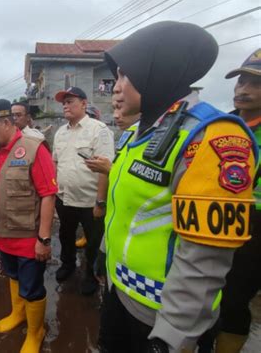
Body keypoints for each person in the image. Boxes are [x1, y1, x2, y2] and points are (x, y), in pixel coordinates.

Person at [97, 21, 258, 353]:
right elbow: (123, 206)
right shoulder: (137, 133)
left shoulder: (210, 138)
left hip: (161, 316)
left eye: (125, 76)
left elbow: (204, 258)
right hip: (119, 293)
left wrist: (174, 335)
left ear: (157, 73)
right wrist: (103, 253)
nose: (115, 87)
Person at [0, 99, 57, 353]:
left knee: (32, 288)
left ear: (7, 122)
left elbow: (49, 194)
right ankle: (18, 314)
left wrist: (43, 240)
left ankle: (35, 332)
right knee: (13, 277)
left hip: (29, 239)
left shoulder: (33, 149)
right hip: (3, 235)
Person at [215, 49, 261, 353]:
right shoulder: (221, 126)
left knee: (233, 300)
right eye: (240, 81)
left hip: (254, 226)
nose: (242, 90)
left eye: (255, 84)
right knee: (207, 293)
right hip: (213, 217)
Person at [52, 86, 115, 295]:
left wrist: (100, 202)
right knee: (65, 235)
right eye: (64, 103)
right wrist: (55, 192)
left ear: (84, 104)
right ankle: (67, 264)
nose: (65, 106)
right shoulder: (60, 132)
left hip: (90, 201)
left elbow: (105, 170)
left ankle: (91, 274)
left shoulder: (99, 130)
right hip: (64, 198)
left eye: (70, 101)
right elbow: (56, 163)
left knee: (93, 241)